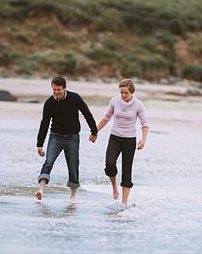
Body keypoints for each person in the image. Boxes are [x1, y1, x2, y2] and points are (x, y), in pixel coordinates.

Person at [36, 75, 98, 201]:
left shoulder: (74, 98)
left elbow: (86, 113)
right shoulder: (49, 103)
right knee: (48, 161)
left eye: (59, 89)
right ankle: (41, 190)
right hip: (56, 136)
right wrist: (39, 144)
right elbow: (45, 123)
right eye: (54, 90)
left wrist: (94, 131)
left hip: (72, 137)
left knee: (73, 165)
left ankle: (72, 197)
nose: (56, 92)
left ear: (64, 88)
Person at [95, 78, 149, 206]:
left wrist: (143, 140)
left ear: (132, 92)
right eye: (121, 92)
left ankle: (124, 202)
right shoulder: (114, 101)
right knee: (110, 163)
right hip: (115, 137)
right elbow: (106, 117)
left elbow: (145, 124)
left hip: (129, 140)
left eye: (126, 93)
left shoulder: (138, 105)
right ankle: (114, 187)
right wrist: (95, 131)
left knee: (127, 170)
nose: (123, 95)